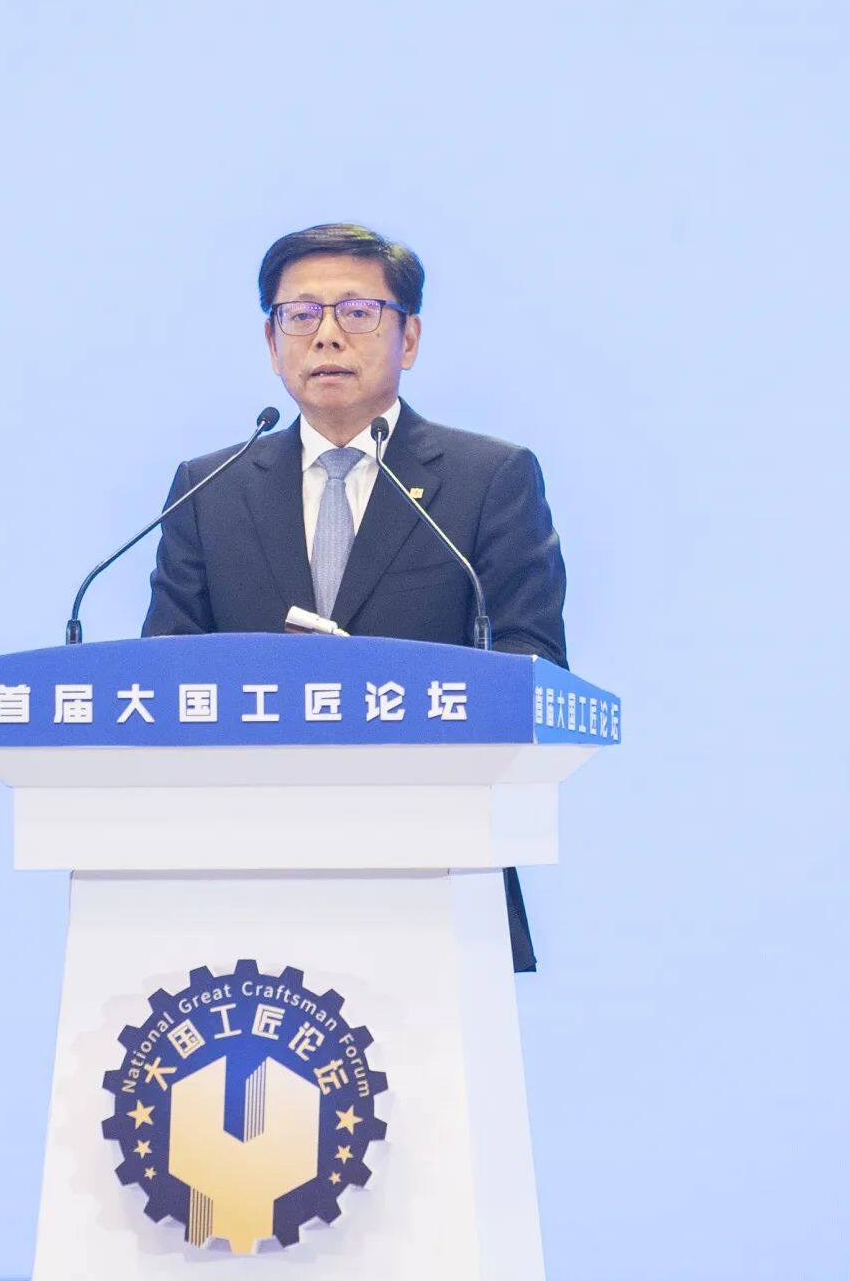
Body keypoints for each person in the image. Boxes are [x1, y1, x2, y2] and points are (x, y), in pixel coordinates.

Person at [143, 223, 567, 971]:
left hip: (438, 868)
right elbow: (164, 672)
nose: (327, 335)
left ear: (409, 338)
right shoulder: (209, 489)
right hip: (241, 867)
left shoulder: (488, 479)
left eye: (358, 312)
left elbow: (531, 662)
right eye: (300, 314)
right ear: (271, 340)